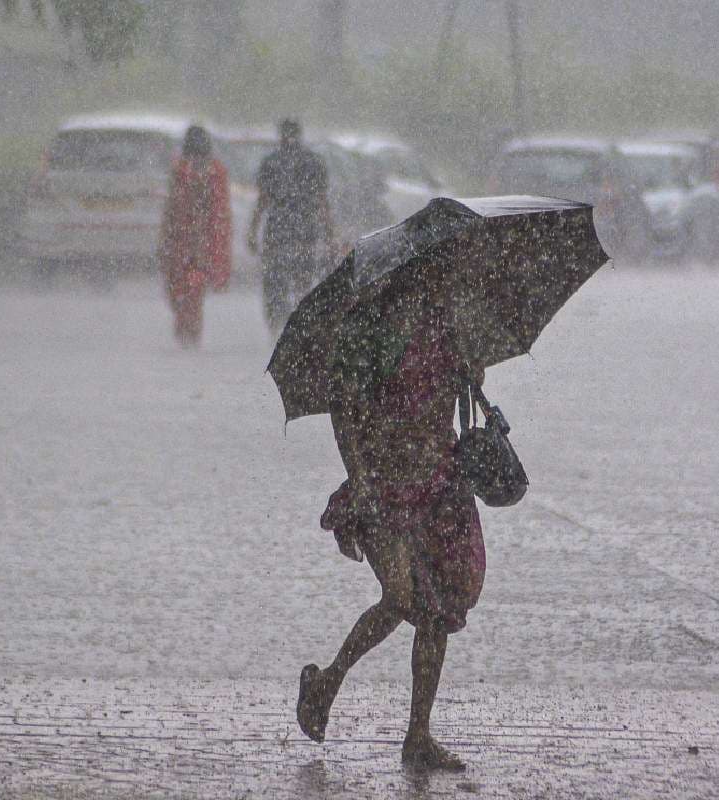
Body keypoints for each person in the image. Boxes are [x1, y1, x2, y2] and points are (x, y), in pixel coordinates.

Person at [295, 264, 486, 771]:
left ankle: (418, 736)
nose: (443, 283)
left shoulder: (448, 324)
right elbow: (344, 408)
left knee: (438, 610)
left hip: (440, 483)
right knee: (401, 598)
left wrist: (472, 369)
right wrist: (359, 481)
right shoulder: (367, 330)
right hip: (382, 485)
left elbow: (459, 390)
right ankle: (327, 682)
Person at [247, 119, 336, 332]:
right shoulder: (314, 162)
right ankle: (299, 321)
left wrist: (253, 230)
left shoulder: (271, 163)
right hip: (305, 229)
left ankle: (276, 322)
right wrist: (330, 232)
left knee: (274, 280)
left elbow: (263, 201)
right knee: (302, 278)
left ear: (280, 135)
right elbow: (322, 201)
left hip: (277, 229)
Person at [158, 125, 231, 347]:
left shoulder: (184, 171)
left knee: (183, 286)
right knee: (191, 288)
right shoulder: (212, 172)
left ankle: (187, 331)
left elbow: (173, 207)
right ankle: (189, 330)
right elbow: (220, 212)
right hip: (198, 240)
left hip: (185, 239)